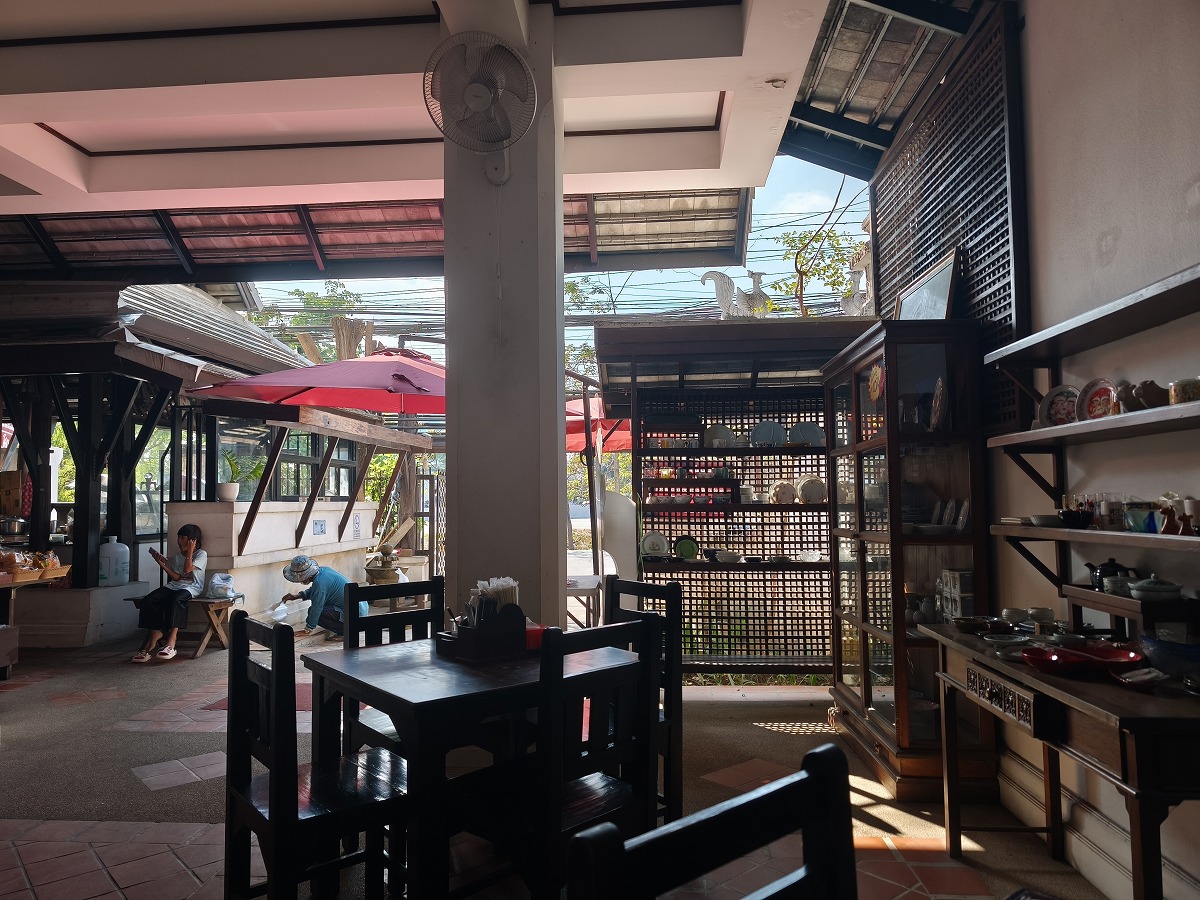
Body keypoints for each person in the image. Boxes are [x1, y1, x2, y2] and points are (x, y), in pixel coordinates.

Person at [131, 524, 206, 662]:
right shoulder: (177, 556)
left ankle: (171, 641)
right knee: (149, 600)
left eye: (182, 538)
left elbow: (188, 569)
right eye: (178, 537)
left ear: (193, 540)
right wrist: (162, 564)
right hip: (175, 585)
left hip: (192, 587)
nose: (178, 541)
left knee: (177, 599)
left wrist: (190, 552)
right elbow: (177, 578)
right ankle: (155, 633)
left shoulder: (201, 554)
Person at [278, 555, 365, 639]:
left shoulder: (320, 584)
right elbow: (316, 591)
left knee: (315, 613)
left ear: (307, 576)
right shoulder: (323, 571)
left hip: (355, 615)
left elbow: (317, 607)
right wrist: (298, 596)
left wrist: (308, 629)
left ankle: (344, 632)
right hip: (360, 609)